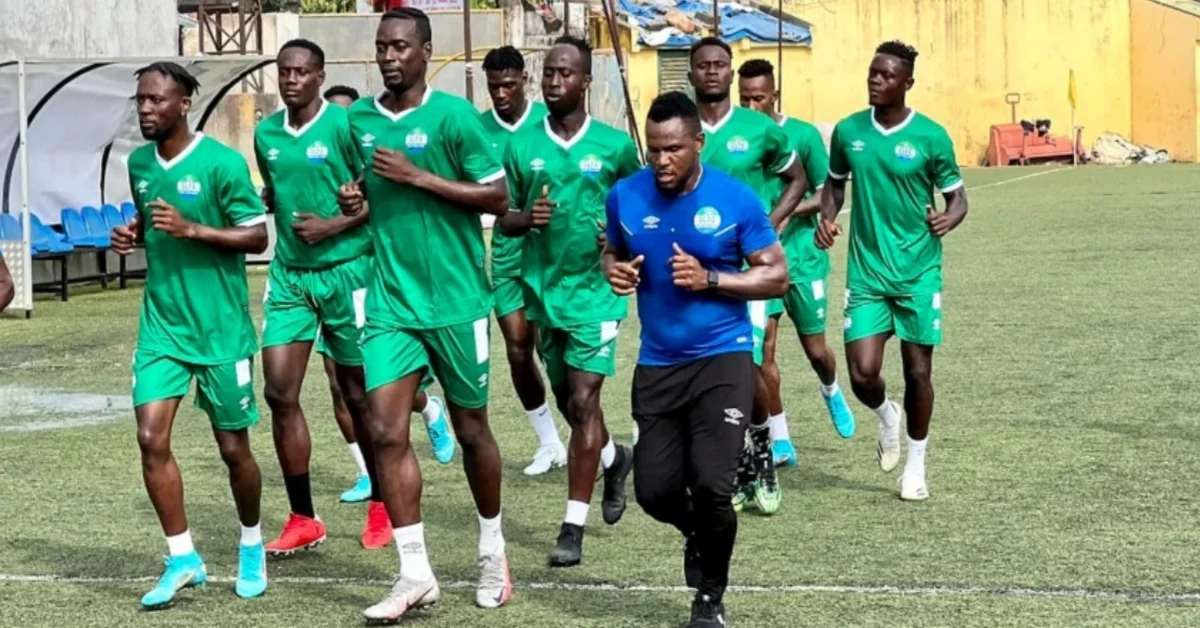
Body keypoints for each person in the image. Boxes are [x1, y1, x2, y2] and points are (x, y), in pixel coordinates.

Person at [340, 8, 512, 621]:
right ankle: (415, 573)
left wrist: (418, 176)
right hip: (390, 302)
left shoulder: (455, 117)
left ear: (426, 51)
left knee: (472, 432)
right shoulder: (359, 120)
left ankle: (493, 550)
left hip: (457, 301)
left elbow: (496, 195)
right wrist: (357, 196)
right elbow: (366, 188)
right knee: (383, 429)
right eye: (381, 46)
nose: (389, 56)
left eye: (401, 46)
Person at [255, 40, 455, 556]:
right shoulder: (266, 134)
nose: (291, 79)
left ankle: (383, 503)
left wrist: (336, 221)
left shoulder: (345, 127)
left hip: (350, 273)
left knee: (357, 394)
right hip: (292, 277)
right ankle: (304, 517)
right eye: (284, 72)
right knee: (279, 392)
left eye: (302, 72)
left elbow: (376, 199)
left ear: (321, 76)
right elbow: (275, 193)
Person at [604, 91, 788, 628]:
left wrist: (712, 279)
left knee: (713, 485)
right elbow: (612, 250)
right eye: (655, 150)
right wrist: (612, 270)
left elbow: (776, 274)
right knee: (654, 492)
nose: (662, 161)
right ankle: (696, 534)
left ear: (698, 144)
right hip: (658, 363)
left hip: (721, 359)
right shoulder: (625, 196)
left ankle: (710, 598)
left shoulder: (735, 199)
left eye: (674, 150)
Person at [112, 61, 270, 609]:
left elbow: (256, 235)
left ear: (184, 104)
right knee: (151, 438)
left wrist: (192, 229)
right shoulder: (138, 163)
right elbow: (147, 213)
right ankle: (183, 557)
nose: (146, 109)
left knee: (234, 449)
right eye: (140, 100)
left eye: (157, 100)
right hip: (161, 327)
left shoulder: (223, 164)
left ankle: (252, 542)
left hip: (221, 331)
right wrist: (133, 232)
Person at [498, 35, 639, 568]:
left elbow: (643, 205)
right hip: (543, 293)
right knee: (568, 400)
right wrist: (522, 220)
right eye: (549, 73)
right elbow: (505, 217)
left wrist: (621, 238)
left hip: (597, 295)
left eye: (566, 74)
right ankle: (615, 457)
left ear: (586, 81)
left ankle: (571, 528)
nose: (555, 82)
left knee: (583, 403)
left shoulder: (614, 146)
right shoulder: (522, 147)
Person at [815, 41, 968, 501]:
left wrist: (948, 218)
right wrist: (827, 217)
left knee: (919, 373)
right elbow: (834, 186)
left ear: (906, 83)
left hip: (918, 272)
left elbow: (958, 198)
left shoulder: (931, 136)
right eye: (872, 72)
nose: (875, 80)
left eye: (885, 75)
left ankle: (916, 468)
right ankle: (887, 417)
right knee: (863, 373)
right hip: (866, 275)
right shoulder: (848, 132)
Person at [688, 36, 807, 515]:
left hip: (752, 270)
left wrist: (772, 223)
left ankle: (761, 448)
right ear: (692, 73)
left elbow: (798, 178)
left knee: (750, 363)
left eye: (720, 64)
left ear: (729, 72)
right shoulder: (681, 127)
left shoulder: (759, 129)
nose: (712, 72)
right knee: (709, 369)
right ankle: (743, 452)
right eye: (703, 65)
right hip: (696, 271)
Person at [737, 59, 856, 459]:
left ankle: (831, 389)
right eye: (745, 98)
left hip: (803, 258)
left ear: (775, 95)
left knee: (817, 351)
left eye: (759, 98)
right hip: (758, 263)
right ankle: (780, 435)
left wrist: (798, 216)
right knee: (762, 350)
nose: (751, 106)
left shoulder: (802, 135)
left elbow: (827, 193)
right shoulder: (736, 134)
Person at [479, 45, 568, 477]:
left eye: (509, 85)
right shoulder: (476, 129)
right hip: (506, 252)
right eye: (493, 86)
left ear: (524, 82)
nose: (501, 94)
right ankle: (550, 443)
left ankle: (592, 438)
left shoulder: (547, 122)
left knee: (558, 355)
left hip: (551, 256)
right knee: (518, 350)